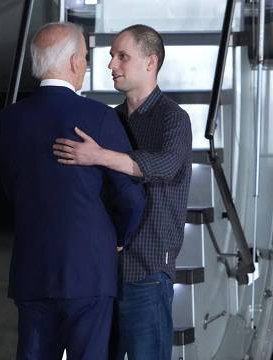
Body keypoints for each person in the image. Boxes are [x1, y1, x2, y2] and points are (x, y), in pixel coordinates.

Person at [0, 22, 145, 360]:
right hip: (89, 269)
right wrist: (118, 237)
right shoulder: (100, 117)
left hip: (32, 267)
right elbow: (130, 197)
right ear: (76, 62)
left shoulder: (9, 120)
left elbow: (12, 189)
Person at [53, 24, 192, 360]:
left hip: (147, 271)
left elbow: (163, 166)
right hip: (102, 270)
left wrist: (98, 155)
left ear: (150, 62)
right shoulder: (110, 119)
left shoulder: (174, 119)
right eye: (112, 55)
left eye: (122, 56)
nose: (111, 64)